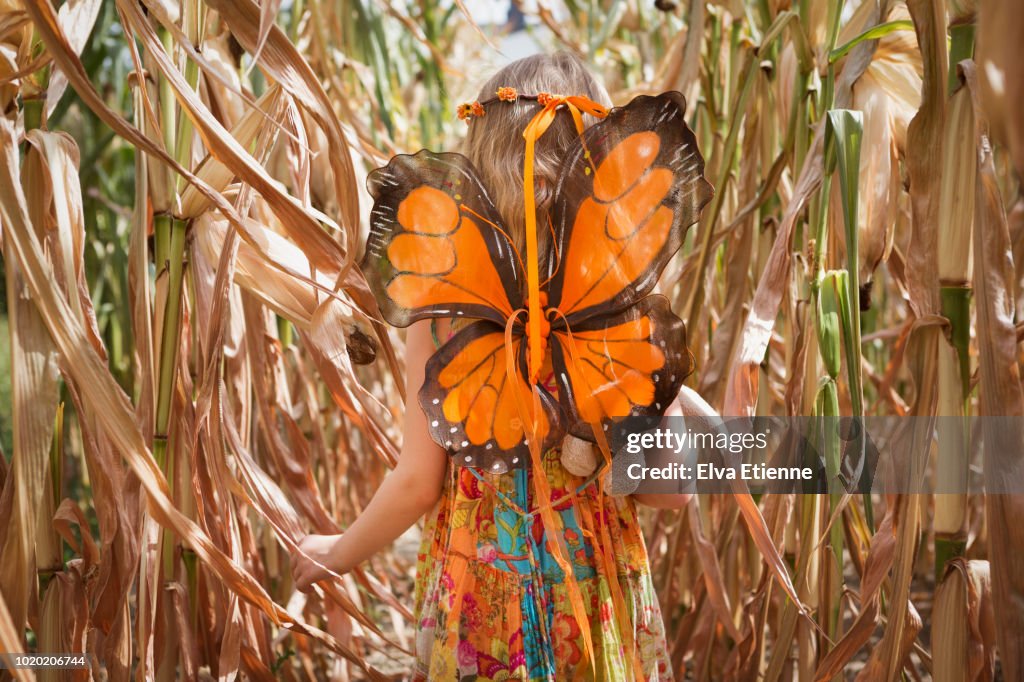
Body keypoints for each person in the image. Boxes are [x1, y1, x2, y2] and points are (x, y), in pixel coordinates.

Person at [290, 52, 703, 681]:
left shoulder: (445, 308)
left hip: (480, 600)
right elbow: (669, 489)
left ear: (481, 152)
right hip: (595, 598)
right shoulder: (623, 311)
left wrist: (336, 553)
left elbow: (418, 483)